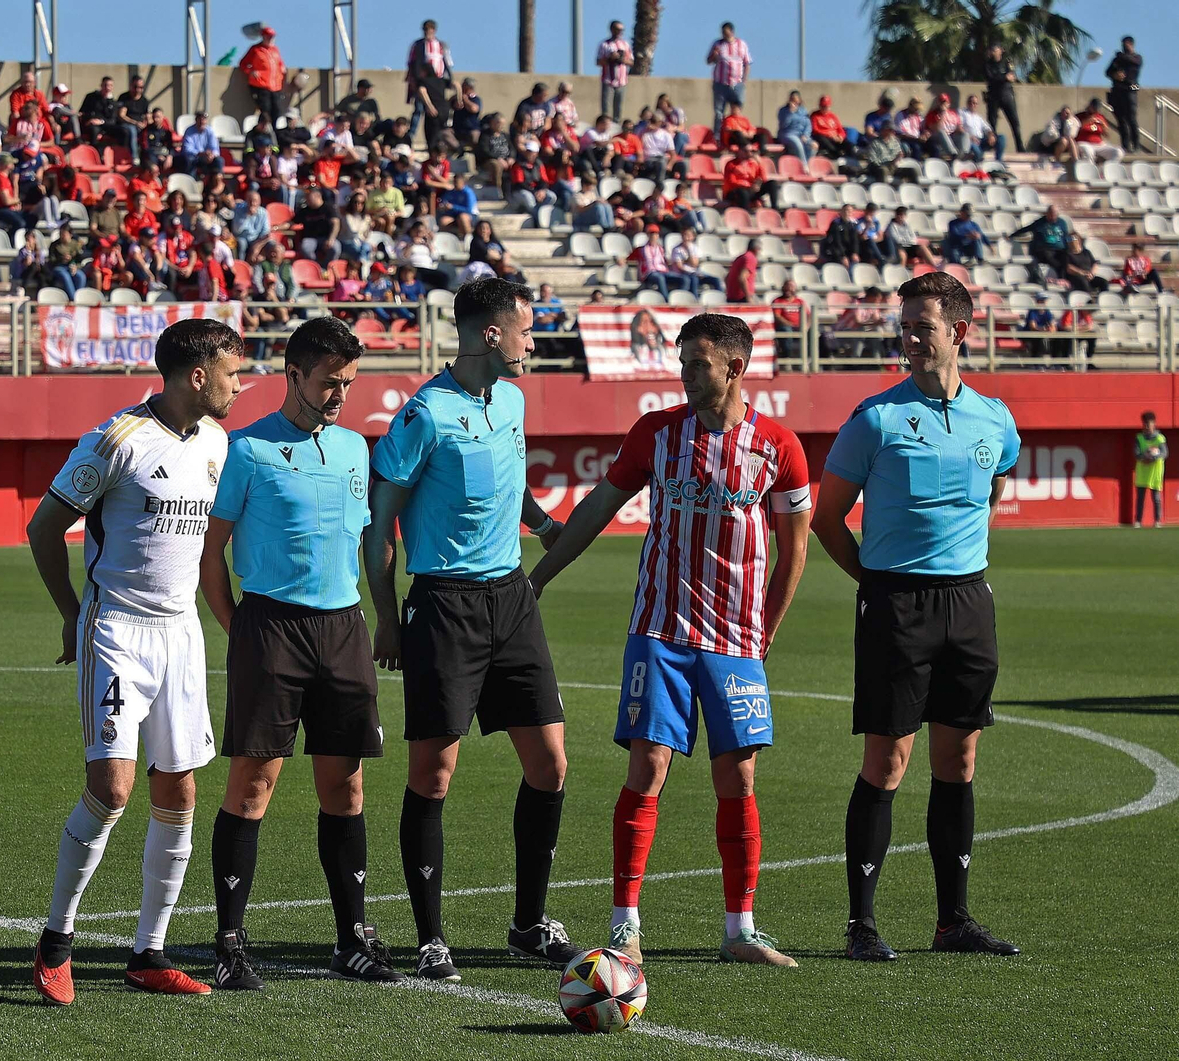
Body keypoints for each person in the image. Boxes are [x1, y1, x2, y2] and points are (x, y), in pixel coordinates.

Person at [529, 311, 811, 966]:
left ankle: (739, 928)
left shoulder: (779, 445)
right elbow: (598, 506)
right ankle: (625, 921)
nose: (684, 374)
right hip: (660, 630)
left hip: (736, 641)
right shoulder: (657, 434)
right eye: (682, 362)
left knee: (738, 777)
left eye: (697, 364)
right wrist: (538, 576)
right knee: (647, 765)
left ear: (734, 368)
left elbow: (795, 549)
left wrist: (765, 628)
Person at [363, 277, 577, 983]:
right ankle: (430, 938)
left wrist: (545, 526)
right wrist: (389, 619)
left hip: (511, 597)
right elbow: (381, 525)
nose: (533, 341)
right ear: (491, 334)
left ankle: (528, 923)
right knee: (435, 771)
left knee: (550, 763)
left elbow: (509, 482)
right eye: (526, 329)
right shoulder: (423, 415)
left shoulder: (510, 399)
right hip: (444, 605)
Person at [27, 319, 242, 1005]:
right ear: (197, 376)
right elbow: (43, 526)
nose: (241, 385)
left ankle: (149, 951)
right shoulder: (116, 439)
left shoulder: (217, 441)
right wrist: (71, 609)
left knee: (179, 793)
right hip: (116, 630)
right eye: (233, 372)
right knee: (114, 790)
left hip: (182, 636)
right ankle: (56, 938)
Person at [812, 271, 1024, 964]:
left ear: (959, 332)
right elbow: (827, 518)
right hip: (896, 604)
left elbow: (993, 486)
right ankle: (861, 925)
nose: (908, 337)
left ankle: (953, 920)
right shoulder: (874, 418)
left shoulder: (996, 418)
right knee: (888, 760)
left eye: (921, 326)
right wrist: (877, 584)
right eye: (903, 325)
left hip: (969, 602)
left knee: (958, 759)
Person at [197, 317, 400, 989]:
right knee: (254, 784)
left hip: (343, 629)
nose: (340, 393)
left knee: (346, 786)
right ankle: (229, 942)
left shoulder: (353, 448)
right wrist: (243, 630)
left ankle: (351, 938)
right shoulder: (245, 450)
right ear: (293, 376)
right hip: (270, 628)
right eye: (328, 381)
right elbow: (211, 556)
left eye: (348, 382)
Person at [406, 20, 453, 149]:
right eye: (426, 29)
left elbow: (447, 63)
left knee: (437, 114)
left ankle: (437, 140)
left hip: (437, 85)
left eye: (430, 29)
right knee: (419, 109)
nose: (428, 32)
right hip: (422, 82)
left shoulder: (441, 45)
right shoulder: (418, 45)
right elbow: (412, 62)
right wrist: (414, 81)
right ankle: (410, 136)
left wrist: (449, 80)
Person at [241, 26, 288, 132]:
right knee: (265, 109)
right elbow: (243, 64)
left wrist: (282, 68)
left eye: (272, 37)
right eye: (269, 37)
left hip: (275, 86)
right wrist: (251, 71)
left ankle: (274, 131)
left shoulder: (275, 50)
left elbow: (279, 63)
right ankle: (262, 130)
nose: (271, 39)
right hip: (260, 85)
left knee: (277, 110)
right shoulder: (255, 49)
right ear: (263, 37)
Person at [707, 22, 752, 129]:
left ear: (732, 32)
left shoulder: (742, 44)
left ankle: (736, 133)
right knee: (719, 112)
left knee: (737, 110)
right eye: (723, 33)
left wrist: (744, 81)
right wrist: (714, 55)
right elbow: (709, 61)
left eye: (726, 32)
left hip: (737, 84)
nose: (724, 35)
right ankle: (717, 136)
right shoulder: (717, 44)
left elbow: (747, 63)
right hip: (721, 84)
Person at [983, 44, 1024, 150]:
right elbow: (990, 78)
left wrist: (1004, 78)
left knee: (1014, 122)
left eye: (995, 49)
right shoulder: (988, 65)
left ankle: (1020, 147)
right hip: (993, 96)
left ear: (1001, 50)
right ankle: (991, 146)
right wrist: (1004, 77)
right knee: (992, 123)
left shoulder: (1006, 63)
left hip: (1007, 96)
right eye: (992, 49)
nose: (993, 51)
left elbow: (1012, 76)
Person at [1106, 36, 1143, 154]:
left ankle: (1136, 145)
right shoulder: (1118, 59)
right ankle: (1125, 145)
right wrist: (1115, 75)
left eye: (1125, 44)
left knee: (1131, 118)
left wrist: (1120, 56)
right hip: (1118, 90)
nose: (1123, 47)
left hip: (1131, 89)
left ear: (1131, 44)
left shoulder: (1136, 58)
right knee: (1121, 120)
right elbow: (1107, 72)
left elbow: (1132, 61)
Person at [722, 142, 779, 211]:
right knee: (743, 192)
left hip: (750, 191)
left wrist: (759, 163)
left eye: (752, 151)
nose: (749, 153)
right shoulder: (731, 164)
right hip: (735, 192)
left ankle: (775, 209)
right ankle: (746, 213)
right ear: (739, 151)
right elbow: (731, 182)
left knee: (772, 183)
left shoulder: (753, 164)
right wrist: (749, 186)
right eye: (746, 151)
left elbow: (763, 178)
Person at [595, 21, 634, 124]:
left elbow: (631, 61)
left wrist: (622, 59)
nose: (620, 32)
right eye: (617, 29)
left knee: (618, 108)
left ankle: (617, 126)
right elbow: (598, 61)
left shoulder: (625, 44)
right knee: (606, 108)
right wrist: (610, 58)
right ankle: (605, 125)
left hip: (622, 81)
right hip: (608, 80)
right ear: (612, 29)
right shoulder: (604, 45)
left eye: (621, 30)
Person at [1134, 411, 1166, 528]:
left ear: (1154, 424)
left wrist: (1154, 457)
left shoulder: (1160, 438)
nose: (1147, 427)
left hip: (1155, 473)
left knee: (1156, 498)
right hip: (1143, 472)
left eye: (1149, 424)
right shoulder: (1139, 438)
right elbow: (1136, 453)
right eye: (1145, 424)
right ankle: (1138, 521)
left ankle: (1157, 521)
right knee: (1140, 498)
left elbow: (1164, 453)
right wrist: (1144, 458)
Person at [958, 95, 1003, 163]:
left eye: (975, 103)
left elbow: (987, 128)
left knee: (1001, 138)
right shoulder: (962, 113)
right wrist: (970, 137)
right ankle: (977, 160)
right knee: (978, 153)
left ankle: (999, 161)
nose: (973, 105)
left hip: (981, 141)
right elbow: (959, 127)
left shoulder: (978, 117)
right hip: (970, 141)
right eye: (971, 102)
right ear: (967, 103)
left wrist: (991, 135)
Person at [777, 92, 814, 162]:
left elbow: (808, 124)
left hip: (801, 134)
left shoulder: (803, 110)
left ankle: (808, 164)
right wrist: (790, 113)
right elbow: (783, 125)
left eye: (796, 100)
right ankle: (804, 166)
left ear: (799, 100)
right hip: (788, 134)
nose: (794, 102)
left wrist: (805, 135)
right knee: (798, 144)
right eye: (792, 100)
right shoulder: (783, 111)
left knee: (812, 146)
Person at [811, 96, 847, 160]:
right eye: (822, 106)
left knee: (849, 145)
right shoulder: (815, 115)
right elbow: (815, 130)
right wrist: (829, 135)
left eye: (826, 106)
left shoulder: (833, 116)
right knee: (822, 138)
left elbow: (840, 129)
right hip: (823, 137)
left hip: (835, 137)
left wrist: (841, 136)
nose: (824, 108)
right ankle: (835, 154)